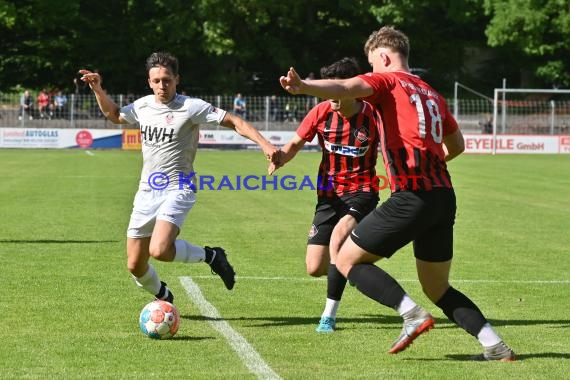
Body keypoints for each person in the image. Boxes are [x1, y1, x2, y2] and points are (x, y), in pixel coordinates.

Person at [279, 26, 515, 361]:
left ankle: (411, 314)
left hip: (412, 195)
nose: (370, 73)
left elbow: (346, 87)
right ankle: (495, 346)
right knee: (438, 288)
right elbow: (457, 145)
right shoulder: (432, 93)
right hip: (443, 196)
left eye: (372, 64)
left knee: (345, 259)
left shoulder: (386, 81)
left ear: (384, 57)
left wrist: (304, 86)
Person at [79, 52, 279, 304]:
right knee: (134, 265)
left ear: (177, 80)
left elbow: (234, 121)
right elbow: (116, 115)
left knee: (160, 249)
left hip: (178, 187)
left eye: (167, 80)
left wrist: (265, 145)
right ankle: (164, 296)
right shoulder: (142, 106)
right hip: (146, 191)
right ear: (149, 82)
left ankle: (211, 257)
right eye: (157, 80)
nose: (162, 85)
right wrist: (97, 89)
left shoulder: (191, 107)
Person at [269, 57, 381, 333]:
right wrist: (280, 157)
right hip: (329, 197)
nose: (328, 96)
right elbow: (295, 142)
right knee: (315, 266)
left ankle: (328, 316)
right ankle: (353, 265)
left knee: (339, 239)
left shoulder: (374, 116)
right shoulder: (321, 112)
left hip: (362, 191)